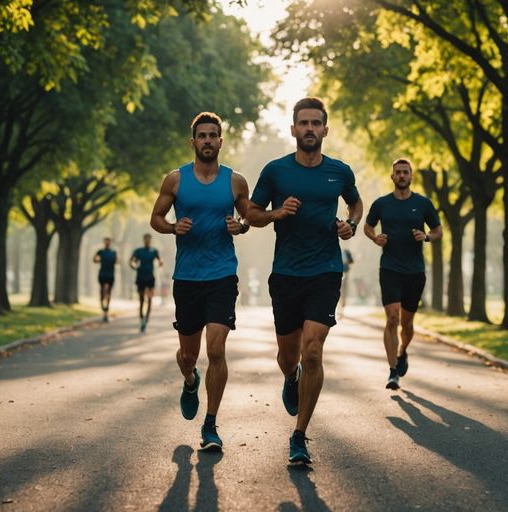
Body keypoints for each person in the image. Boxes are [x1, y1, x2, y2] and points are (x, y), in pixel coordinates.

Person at [246, 97, 362, 465]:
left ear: (325, 130)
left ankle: (299, 435)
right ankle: (290, 376)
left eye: (316, 123)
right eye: (304, 123)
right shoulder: (276, 171)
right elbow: (250, 213)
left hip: (325, 271)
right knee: (288, 355)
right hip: (285, 274)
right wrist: (277, 212)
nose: (310, 129)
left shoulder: (340, 171)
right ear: (293, 129)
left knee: (313, 349)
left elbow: (356, 204)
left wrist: (351, 224)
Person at [150, 112, 251, 452]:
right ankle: (190, 382)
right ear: (193, 142)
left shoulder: (235, 181)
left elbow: (248, 217)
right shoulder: (175, 180)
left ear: (221, 141)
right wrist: (172, 228)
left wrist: (242, 226)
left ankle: (211, 424)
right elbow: (156, 218)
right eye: (202, 136)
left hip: (222, 274)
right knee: (188, 355)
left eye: (213, 135)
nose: (208, 140)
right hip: (187, 277)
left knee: (217, 348)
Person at [364, 159, 442, 390]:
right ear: (392, 176)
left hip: (415, 271)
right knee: (392, 318)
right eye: (397, 172)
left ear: (411, 176)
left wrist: (426, 237)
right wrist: (375, 237)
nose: (401, 175)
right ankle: (392, 372)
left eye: (405, 172)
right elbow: (368, 226)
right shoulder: (381, 204)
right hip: (389, 268)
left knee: (407, 324)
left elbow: (437, 230)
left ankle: (402, 351)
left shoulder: (423, 204)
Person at [130, 234, 163, 332]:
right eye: (146, 239)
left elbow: (160, 259)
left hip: (150, 278)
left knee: (149, 300)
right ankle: (141, 319)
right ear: (143, 240)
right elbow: (132, 261)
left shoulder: (154, 251)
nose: (147, 241)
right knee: (141, 300)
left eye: (149, 239)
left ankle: (146, 320)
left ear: (151, 240)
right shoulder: (139, 251)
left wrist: (161, 262)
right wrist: (133, 265)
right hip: (140, 277)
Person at [93, 237, 117, 322]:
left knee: (108, 292)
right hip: (102, 274)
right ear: (104, 242)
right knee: (102, 292)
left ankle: (106, 310)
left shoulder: (113, 252)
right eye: (106, 241)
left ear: (110, 242)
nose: (107, 243)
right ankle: (103, 306)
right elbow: (94, 260)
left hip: (110, 275)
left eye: (108, 241)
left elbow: (117, 261)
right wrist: (97, 259)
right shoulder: (100, 252)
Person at [337, 248, 355, 318]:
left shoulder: (347, 251)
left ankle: (341, 310)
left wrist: (347, 262)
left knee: (343, 292)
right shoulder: (335, 248)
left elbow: (352, 261)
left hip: (345, 274)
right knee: (339, 292)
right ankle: (339, 311)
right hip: (337, 274)